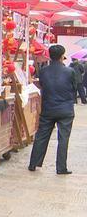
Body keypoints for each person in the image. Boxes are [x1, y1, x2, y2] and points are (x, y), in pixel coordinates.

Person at [28, 45, 76, 175]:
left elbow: (43, 85)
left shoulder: (43, 71)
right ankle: (61, 168)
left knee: (41, 136)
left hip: (48, 108)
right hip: (65, 109)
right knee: (63, 138)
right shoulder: (70, 71)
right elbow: (74, 87)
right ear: (62, 56)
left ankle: (33, 164)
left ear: (49, 56)